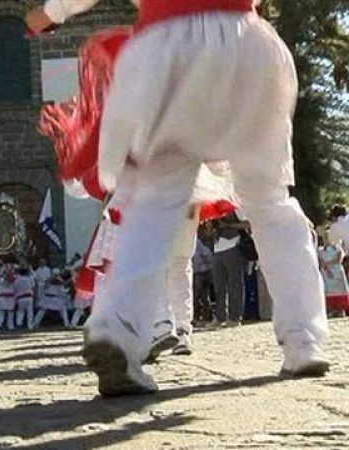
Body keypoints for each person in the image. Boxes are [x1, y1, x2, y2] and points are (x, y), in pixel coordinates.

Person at [28, 0, 330, 396]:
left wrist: (49, 14)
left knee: (154, 202)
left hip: (164, 47)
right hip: (243, 42)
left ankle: (117, 327)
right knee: (270, 201)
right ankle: (303, 340)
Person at [212, 212, 250, 326]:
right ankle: (220, 317)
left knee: (235, 283)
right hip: (217, 249)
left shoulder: (236, 208)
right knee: (218, 286)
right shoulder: (215, 210)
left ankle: (235, 317)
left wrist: (228, 225)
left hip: (233, 246)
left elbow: (247, 224)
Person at [318, 233, 349, 317]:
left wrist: (327, 263)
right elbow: (320, 261)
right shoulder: (320, 250)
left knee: (339, 290)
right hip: (326, 272)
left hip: (337, 271)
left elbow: (339, 259)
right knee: (328, 291)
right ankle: (331, 310)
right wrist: (326, 268)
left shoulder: (338, 248)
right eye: (325, 238)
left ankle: (340, 310)